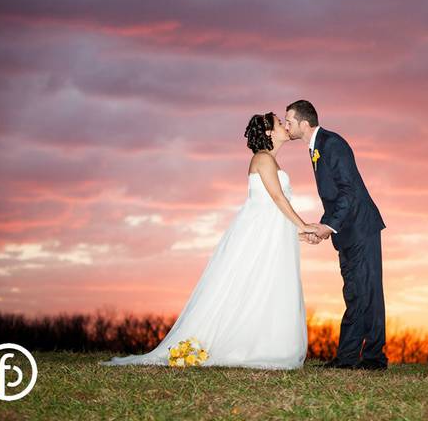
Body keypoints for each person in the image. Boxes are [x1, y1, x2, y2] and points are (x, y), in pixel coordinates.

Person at [100, 112, 317, 369]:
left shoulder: (270, 162)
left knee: (265, 285)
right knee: (255, 284)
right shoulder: (263, 159)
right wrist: (302, 224)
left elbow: (274, 210)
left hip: (269, 233)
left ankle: (263, 341)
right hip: (257, 235)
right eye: (279, 123)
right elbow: (278, 200)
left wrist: (295, 231)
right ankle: (250, 345)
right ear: (269, 133)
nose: (283, 125)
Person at [284, 100, 388, 370]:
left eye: (289, 122)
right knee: (356, 292)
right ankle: (354, 357)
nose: (286, 126)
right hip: (348, 230)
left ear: (304, 124)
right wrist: (327, 228)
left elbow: (348, 190)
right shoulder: (316, 147)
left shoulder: (332, 144)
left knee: (366, 293)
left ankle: (370, 358)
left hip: (360, 228)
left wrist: (327, 225)